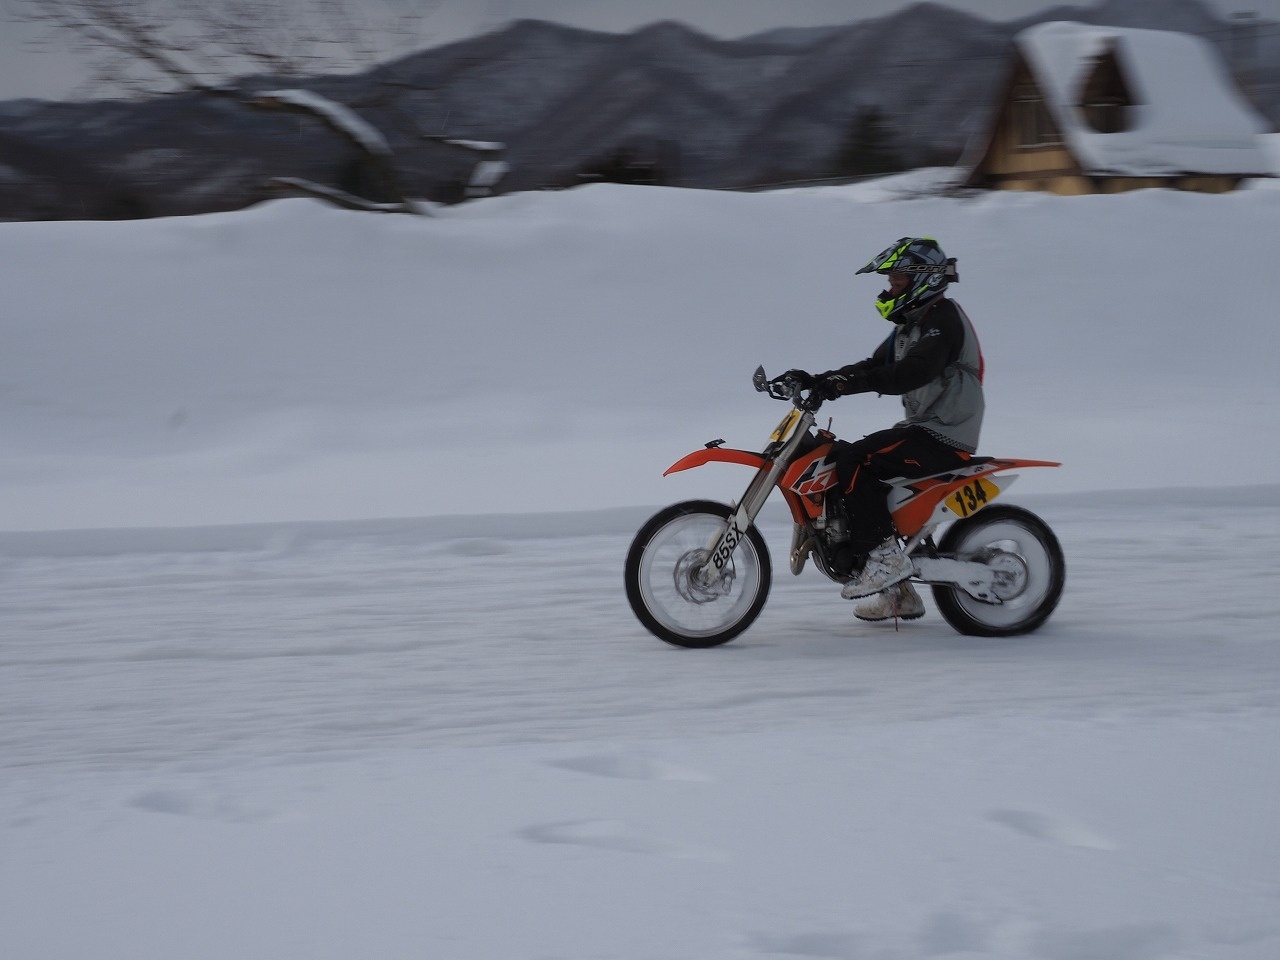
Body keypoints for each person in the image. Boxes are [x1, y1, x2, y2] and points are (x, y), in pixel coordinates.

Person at [813, 236, 985, 622]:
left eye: (897, 280)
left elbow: (911, 372)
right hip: (924, 429)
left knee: (856, 459)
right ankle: (899, 595)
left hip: (944, 435)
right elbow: (872, 366)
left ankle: (887, 560)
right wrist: (819, 380)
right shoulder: (912, 325)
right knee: (840, 459)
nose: (889, 288)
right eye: (889, 281)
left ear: (922, 279)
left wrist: (845, 386)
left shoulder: (943, 320)